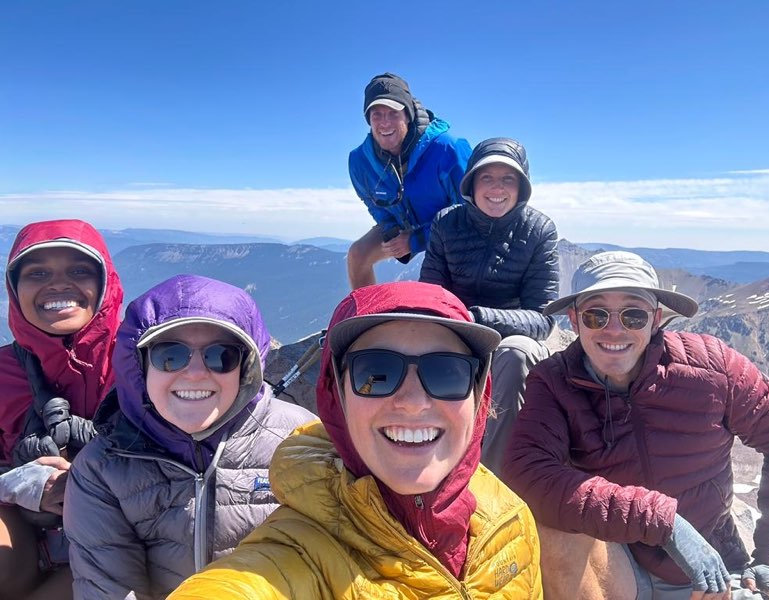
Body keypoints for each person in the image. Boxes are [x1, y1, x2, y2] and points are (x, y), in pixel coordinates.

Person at [168, 281, 543, 599]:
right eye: (376, 372)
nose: (413, 402)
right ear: (337, 394)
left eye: (446, 372)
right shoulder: (294, 554)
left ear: (478, 394)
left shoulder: (510, 518)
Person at [504, 251, 769, 600]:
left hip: (710, 567)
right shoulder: (554, 381)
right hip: (615, 566)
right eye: (596, 315)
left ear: (656, 319)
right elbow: (529, 472)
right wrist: (664, 522)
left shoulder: (713, 368)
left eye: (633, 315)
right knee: (552, 531)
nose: (614, 330)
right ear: (574, 319)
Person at [62, 274, 314, 599]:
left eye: (222, 355)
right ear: (139, 366)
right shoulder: (103, 469)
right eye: (171, 355)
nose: (195, 372)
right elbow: (109, 590)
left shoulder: (300, 442)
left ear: (246, 367)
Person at [0, 219, 123, 600]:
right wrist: (21, 485)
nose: (57, 284)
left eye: (79, 270)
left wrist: (86, 486)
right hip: (23, 528)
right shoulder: (4, 373)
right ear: (15, 289)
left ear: (105, 284)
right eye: (38, 272)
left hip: (124, 533)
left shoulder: (145, 367)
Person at [420, 137, 559, 474]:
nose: (497, 188)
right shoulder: (446, 223)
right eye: (487, 177)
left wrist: (479, 318)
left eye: (507, 178)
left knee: (515, 355)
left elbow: (544, 318)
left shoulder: (539, 230)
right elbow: (431, 291)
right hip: (458, 327)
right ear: (472, 183)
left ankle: (491, 477)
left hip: (511, 334)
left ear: (521, 186)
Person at [347, 73, 471, 289]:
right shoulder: (360, 161)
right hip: (405, 225)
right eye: (376, 114)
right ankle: (365, 318)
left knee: (447, 279)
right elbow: (374, 204)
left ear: (408, 115)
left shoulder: (447, 148)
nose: (385, 122)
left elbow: (469, 212)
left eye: (393, 113)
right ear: (368, 119)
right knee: (358, 254)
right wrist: (391, 232)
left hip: (452, 230)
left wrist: (415, 241)